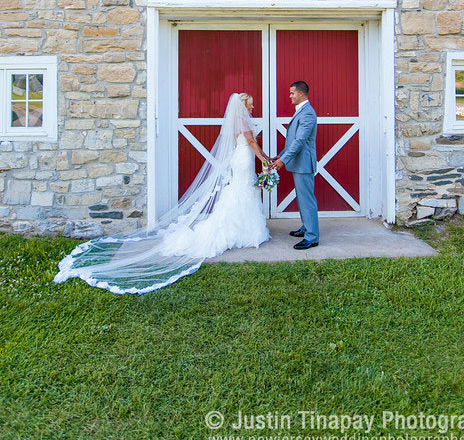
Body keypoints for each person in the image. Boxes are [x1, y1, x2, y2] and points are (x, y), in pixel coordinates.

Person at [53, 93, 271, 294]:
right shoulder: (242, 120)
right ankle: (239, 231)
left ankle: (243, 230)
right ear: (244, 105)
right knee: (241, 192)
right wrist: (264, 160)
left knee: (242, 192)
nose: (253, 106)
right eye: (251, 103)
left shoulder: (239, 120)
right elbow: (250, 141)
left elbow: (251, 142)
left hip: (243, 158)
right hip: (244, 159)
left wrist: (264, 157)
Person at [271, 81, 319, 249]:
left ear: (301, 94)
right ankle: (306, 227)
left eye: (292, 93)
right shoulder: (301, 111)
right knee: (302, 198)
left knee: (307, 200)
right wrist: (281, 155)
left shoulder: (307, 114)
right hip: (298, 163)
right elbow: (293, 140)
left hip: (304, 164)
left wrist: (283, 161)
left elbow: (299, 141)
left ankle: (312, 237)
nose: (290, 96)